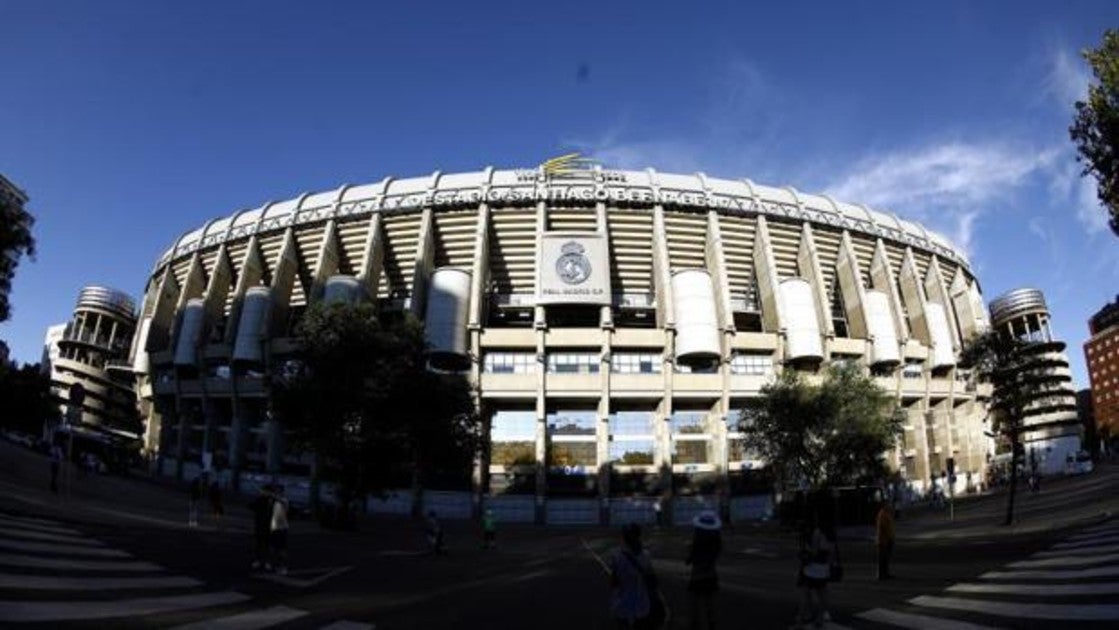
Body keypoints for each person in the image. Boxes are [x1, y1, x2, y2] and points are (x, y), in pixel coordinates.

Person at [608, 523, 665, 630]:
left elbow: (613, 582)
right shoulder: (646, 556)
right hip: (642, 605)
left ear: (624, 537)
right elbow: (653, 581)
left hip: (622, 604)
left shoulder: (617, 556)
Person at [685, 510, 722, 630]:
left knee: (694, 605)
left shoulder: (697, 541)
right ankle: (712, 625)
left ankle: (695, 626)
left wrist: (688, 553)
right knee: (710, 605)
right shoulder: (716, 541)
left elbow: (689, 559)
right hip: (711, 575)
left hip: (697, 576)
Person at [796, 515, 835, 629]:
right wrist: (828, 567)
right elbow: (831, 555)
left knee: (804, 594)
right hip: (824, 569)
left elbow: (814, 552)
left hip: (812, 569)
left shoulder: (817, 532)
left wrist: (803, 555)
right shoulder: (831, 535)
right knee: (823, 596)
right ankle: (820, 619)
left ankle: (800, 622)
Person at [250, 484, 274, 571]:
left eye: (265, 491)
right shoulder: (260, 499)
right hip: (260, 525)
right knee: (259, 545)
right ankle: (258, 561)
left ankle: (267, 562)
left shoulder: (272, 501)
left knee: (267, 545)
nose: (263, 492)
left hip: (269, 526)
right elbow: (252, 506)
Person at [270, 484, 290, 575]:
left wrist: (273, 496)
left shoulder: (284, 500)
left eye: (278, 491)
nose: (276, 492)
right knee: (274, 548)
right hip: (274, 527)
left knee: (281, 549)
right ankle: (275, 565)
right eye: (276, 491)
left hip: (282, 528)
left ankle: (282, 566)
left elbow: (282, 501)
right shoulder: (274, 502)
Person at [876, 502, 895, 580]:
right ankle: (881, 574)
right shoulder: (883, 515)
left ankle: (885, 573)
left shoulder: (887, 514)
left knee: (886, 558)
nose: (890, 506)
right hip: (884, 540)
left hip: (887, 539)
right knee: (883, 558)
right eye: (888, 505)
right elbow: (884, 527)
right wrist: (889, 537)